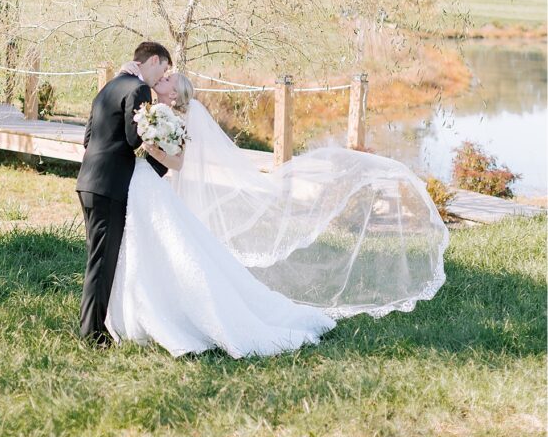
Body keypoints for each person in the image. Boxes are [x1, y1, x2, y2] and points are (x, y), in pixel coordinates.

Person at [102, 71, 450, 358]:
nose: (160, 81)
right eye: (163, 78)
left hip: (153, 187)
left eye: (167, 81)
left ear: (175, 95)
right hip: (147, 187)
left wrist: (148, 144)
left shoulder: (175, 119)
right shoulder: (150, 110)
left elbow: (177, 162)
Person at [75, 40, 172, 344]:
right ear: (153, 60)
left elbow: (88, 136)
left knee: (97, 259)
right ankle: (92, 334)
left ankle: (91, 325)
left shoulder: (108, 87)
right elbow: (132, 139)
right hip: (111, 184)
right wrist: (156, 132)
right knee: (102, 262)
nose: (161, 78)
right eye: (164, 69)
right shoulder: (138, 89)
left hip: (88, 180)